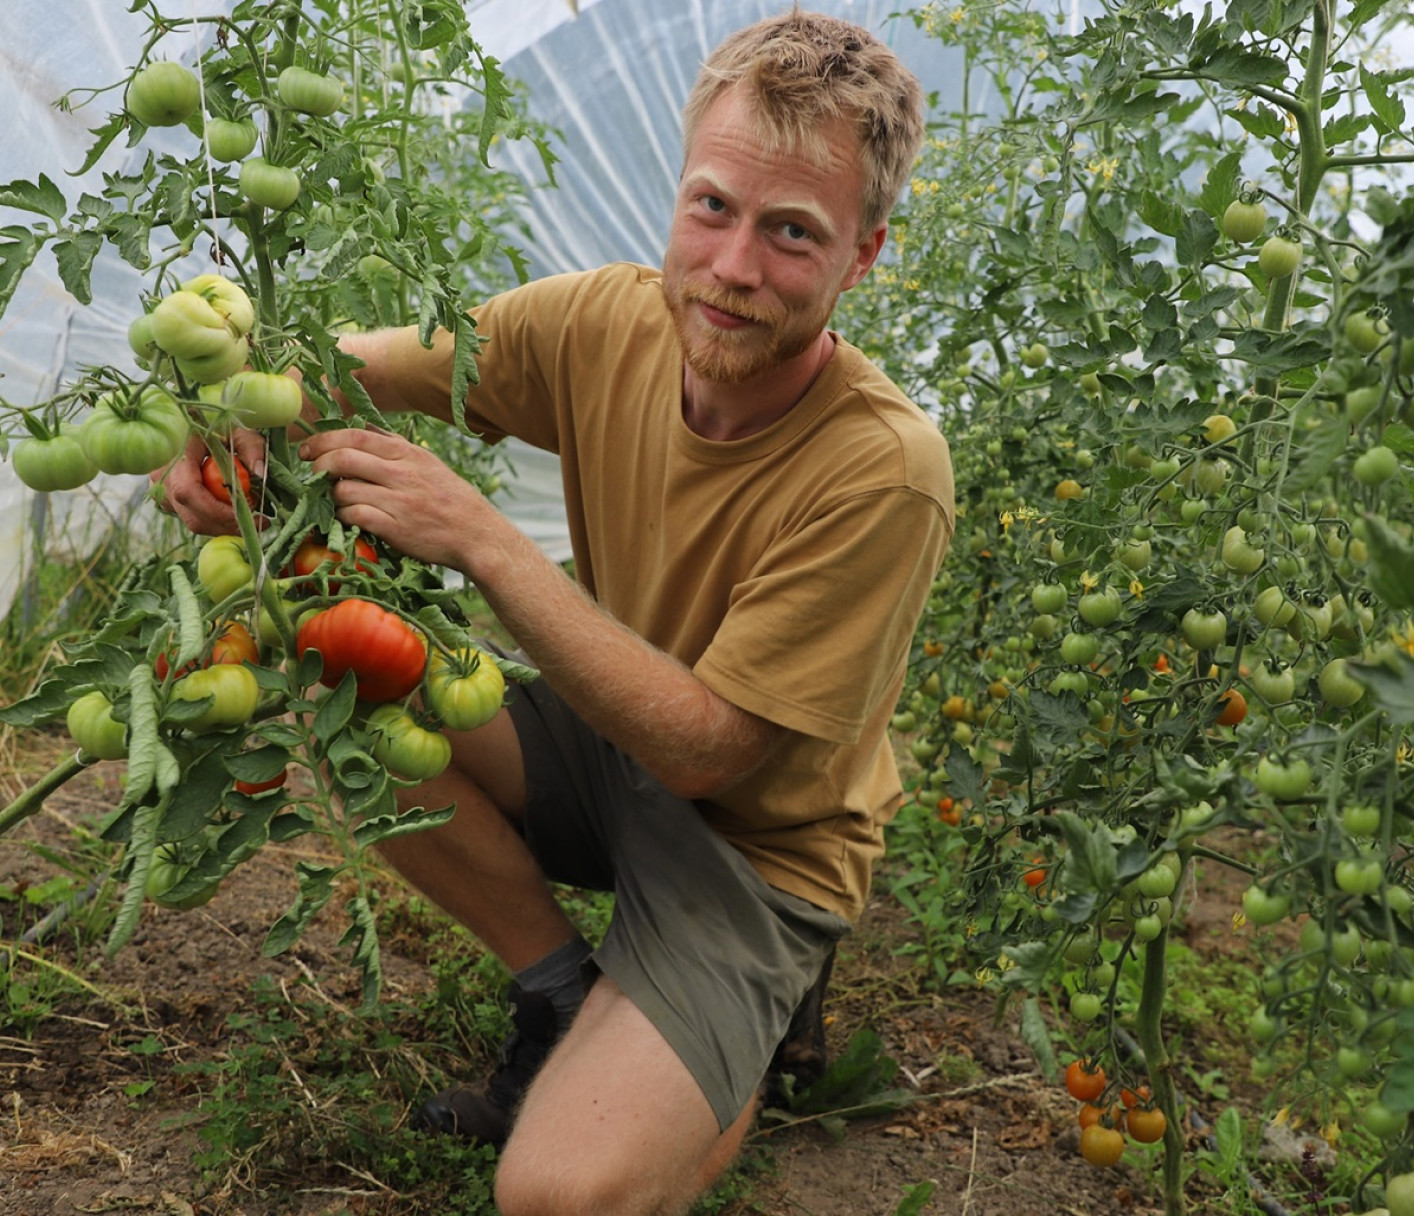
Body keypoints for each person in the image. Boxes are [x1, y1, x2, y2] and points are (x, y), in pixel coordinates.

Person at [158, 11, 952, 1214]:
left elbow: (706, 749)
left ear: (865, 256)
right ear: (677, 194)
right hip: (601, 742)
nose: (734, 267)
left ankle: (740, 1025)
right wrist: (224, 418)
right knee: (317, 638)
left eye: (794, 233)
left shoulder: (884, 469)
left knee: (556, 1194)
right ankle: (563, 994)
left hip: (756, 843)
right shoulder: (606, 320)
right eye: (713, 207)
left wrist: (480, 540)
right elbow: (359, 361)